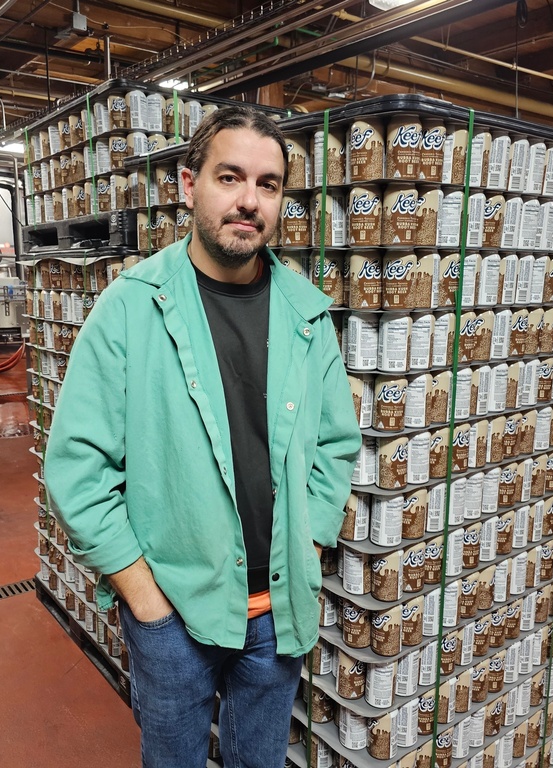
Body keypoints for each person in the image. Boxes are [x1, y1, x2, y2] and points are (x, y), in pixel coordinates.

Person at [44, 105, 361, 768]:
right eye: (230, 177)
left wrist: (306, 540)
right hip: (173, 617)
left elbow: (336, 443)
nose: (249, 201)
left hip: (278, 611)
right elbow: (77, 468)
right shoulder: (131, 307)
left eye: (268, 185)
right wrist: (142, 595)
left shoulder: (306, 312)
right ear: (189, 187)